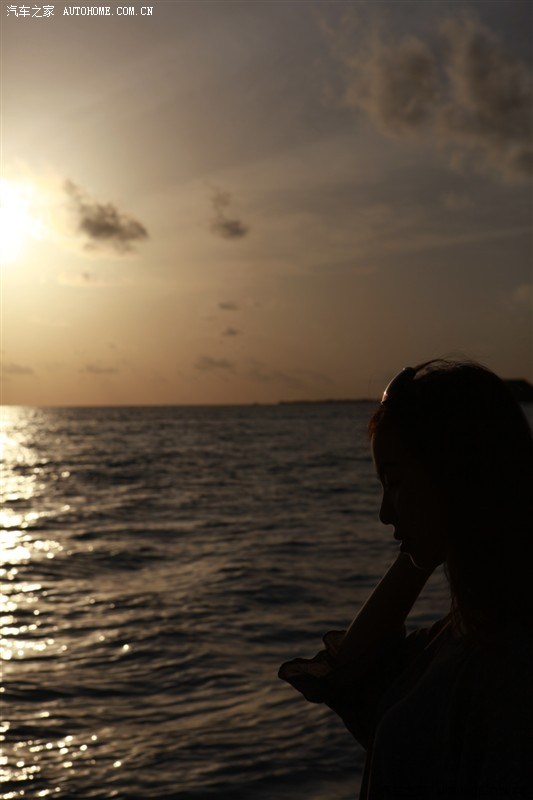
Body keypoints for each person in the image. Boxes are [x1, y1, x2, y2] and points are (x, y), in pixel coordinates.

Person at [278, 359, 533, 799]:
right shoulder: (461, 632)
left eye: (394, 482)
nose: (383, 513)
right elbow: (353, 677)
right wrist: (421, 549)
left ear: (456, 473)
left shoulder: (508, 660)